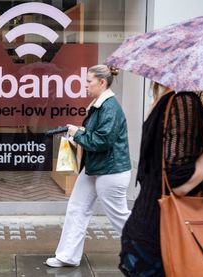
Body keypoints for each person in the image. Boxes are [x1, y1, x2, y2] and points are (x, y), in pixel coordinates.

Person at [118, 82, 203, 276]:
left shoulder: (165, 101)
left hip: (148, 231)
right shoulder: (184, 101)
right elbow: (180, 184)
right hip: (164, 236)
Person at [45, 64, 132, 267]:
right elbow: (98, 136)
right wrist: (79, 133)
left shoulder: (110, 106)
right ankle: (68, 256)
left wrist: (78, 133)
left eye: (89, 81)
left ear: (102, 82)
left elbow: (102, 141)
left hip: (111, 171)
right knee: (77, 208)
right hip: (96, 167)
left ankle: (151, 250)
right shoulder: (100, 104)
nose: (85, 85)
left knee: (119, 217)